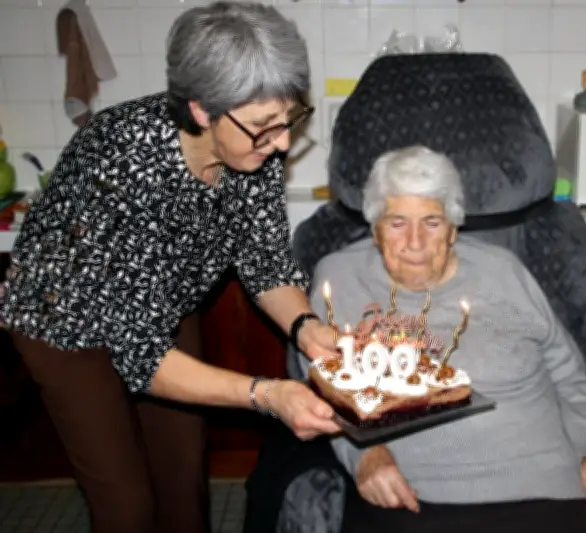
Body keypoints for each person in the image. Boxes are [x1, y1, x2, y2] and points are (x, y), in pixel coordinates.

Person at [0, 3, 340, 533]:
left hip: (162, 303)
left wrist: (308, 327)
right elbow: (142, 356)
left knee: (182, 482)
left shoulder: (253, 152)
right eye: (262, 128)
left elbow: (266, 261)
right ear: (202, 109)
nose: (281, 144)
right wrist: (267, 394)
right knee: (128, 507)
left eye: (289, 121)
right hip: (64, 322)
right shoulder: (122, 159)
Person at [298, 145, 586, 533]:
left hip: (541, 486)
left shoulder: (502, 273)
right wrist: (365, 456)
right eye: (398, 223)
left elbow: (571, 378)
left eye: (432, 222)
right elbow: (324, 391)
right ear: (375, 229)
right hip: (412, 494)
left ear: (454, 230)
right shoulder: (341, 280)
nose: (416, 242)